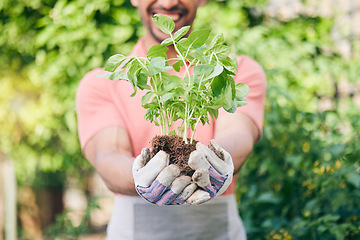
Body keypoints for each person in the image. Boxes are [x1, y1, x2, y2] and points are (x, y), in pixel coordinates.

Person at [76, 0, 266, 239]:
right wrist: (140, 176)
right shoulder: (102, 83)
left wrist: (219, 162)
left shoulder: (232, 71)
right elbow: (108, 154)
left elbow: (238, 134)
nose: (167, 2)